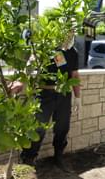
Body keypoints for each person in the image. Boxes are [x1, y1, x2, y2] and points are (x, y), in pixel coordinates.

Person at [16, 30, 80, 173]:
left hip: (64, 94)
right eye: (67, 32)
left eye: (72, 33)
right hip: (45, 94)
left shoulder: (73, 52)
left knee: (62, 127)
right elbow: (30, 63)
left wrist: (78, 97)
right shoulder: (46, 47)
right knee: (38, 128)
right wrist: (21, 81)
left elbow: (74, 74)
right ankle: (29, 160)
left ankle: (58, 157)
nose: (70, 36)